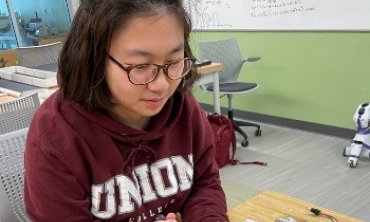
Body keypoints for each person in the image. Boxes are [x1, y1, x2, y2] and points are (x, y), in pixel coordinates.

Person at [23, 0, 229, 221]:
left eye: (174, 61)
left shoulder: (183, 107)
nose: (161, 85)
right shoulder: (56, 136)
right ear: (94, 60)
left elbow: (204, 185)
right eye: (140, 67)